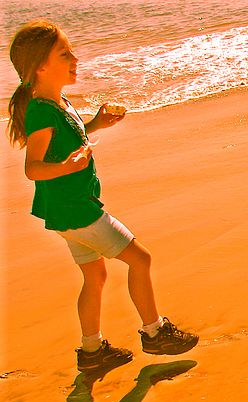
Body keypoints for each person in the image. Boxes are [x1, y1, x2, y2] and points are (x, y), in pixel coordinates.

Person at [7, 19, 198, 374]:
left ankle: (91, 351)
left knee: (94, 277)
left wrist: (95, 124)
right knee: (140, 260)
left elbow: (67, 138)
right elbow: (33, 168)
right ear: (41, 66)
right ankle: (155, 333)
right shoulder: (40, 111)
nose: (74, 58)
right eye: (65, 53)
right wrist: (70, 164)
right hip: (78, 211)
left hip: (66, 214)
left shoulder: (56, 102)